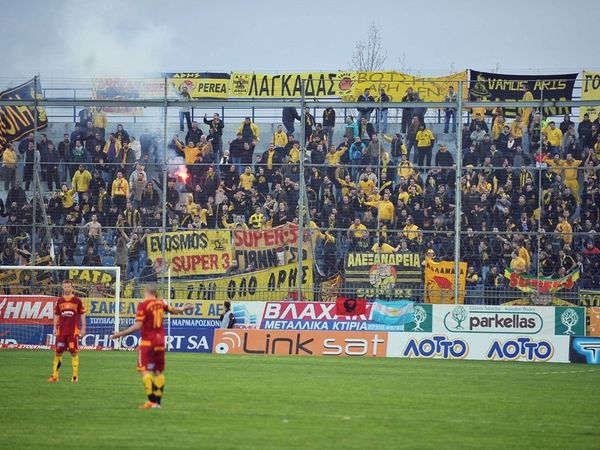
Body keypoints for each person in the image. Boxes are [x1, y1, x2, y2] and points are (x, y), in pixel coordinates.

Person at [110, 284, 193, 409]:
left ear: (145, 291)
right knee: (158, 372)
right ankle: (157, 403)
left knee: (144, 370)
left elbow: (138, 326)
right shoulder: (161, 303)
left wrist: (120, 334)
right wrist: (185, 308)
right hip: (160, 341)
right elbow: (175, 310)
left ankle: (151, 401)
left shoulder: (143, 306)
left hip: (148, 342)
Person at [48, 280, 86, 383]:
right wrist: (55, 328)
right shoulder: (60, 301)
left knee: (73, 353)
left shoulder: (77, 300)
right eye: (65, 287)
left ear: (72, 288)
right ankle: (55, 376)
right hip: (61, 332)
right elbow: (56, 315)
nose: (67, 289)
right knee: (58, 353)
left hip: (73, 332)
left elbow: (82, 314)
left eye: (68, 287)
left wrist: (83, 328)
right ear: (63, 288)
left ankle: (74, 376)